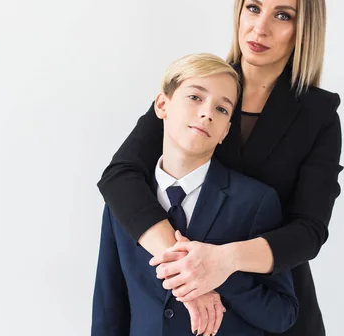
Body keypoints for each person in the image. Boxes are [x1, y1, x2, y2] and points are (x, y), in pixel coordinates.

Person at [98, 0, 343, 336]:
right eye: (253, 7)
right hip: (179, 309)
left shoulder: (318, 115)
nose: (260, 27)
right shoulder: (201, 86)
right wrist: (187, 268)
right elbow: (119, 178)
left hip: (271, 310)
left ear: (302, 29)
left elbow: (309, 231)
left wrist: (222, 262)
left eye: (282, 15)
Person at [91, 53, 298, 336]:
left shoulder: (255, 202)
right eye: (195, 97)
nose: (207, 113)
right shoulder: (124, 202)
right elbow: (108, 306)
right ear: (162, 104)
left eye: (222, 109)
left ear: (225, 131)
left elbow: (282, 314)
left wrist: (215, 272)